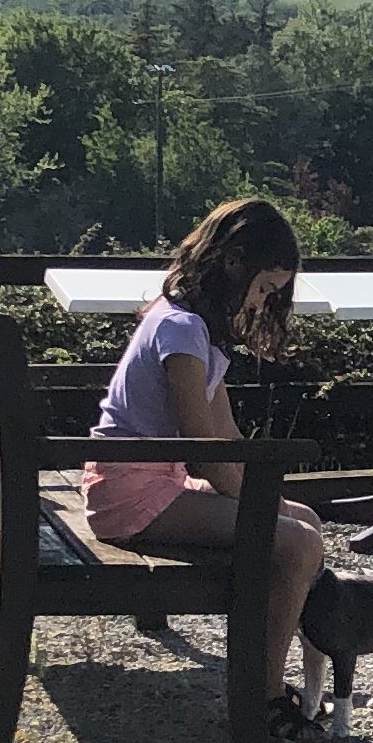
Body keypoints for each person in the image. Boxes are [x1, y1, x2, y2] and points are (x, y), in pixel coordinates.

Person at [85, 195, 328, 710]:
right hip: (131, 493)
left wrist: (270, 501)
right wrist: (259, 506)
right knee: (297, 544)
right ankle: (262, 695)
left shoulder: (196, 329)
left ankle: (271, 668)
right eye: (263, 288)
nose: (262, 303)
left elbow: (226, 435)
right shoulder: (181, 331)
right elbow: (205, 451)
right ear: (233, 264)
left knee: (302, 520)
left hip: (147, 482)